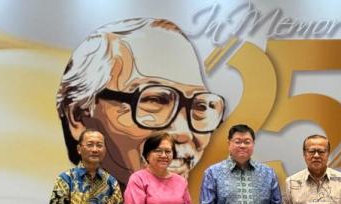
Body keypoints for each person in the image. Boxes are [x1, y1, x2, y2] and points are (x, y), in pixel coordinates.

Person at [56, 18, 225, 186]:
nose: (183, 133)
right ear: (78, 116)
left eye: (200, 106)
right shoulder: (72, 194)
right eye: (155, 100)